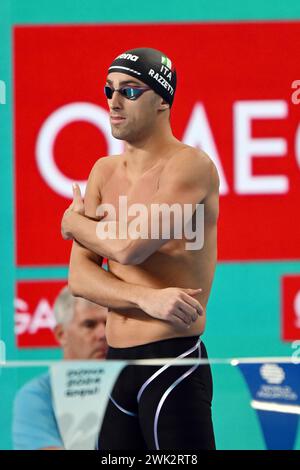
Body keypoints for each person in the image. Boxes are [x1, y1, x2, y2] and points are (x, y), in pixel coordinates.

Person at [62, 47, 219, 450]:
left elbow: (131, 249)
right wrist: (146, 299)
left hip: (172, 362)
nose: (113, 102)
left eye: (130, 91)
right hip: (117, 365)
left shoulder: (190, 166)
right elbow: (79, 278)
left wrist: (72, 222)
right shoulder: (103, 171)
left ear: (162, 100)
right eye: (109, 90)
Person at [12, 286, 108, 450]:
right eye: (89, 324)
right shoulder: (38, 394)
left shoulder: (132, 387)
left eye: (108, 323)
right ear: (61, 334)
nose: (103, 334)